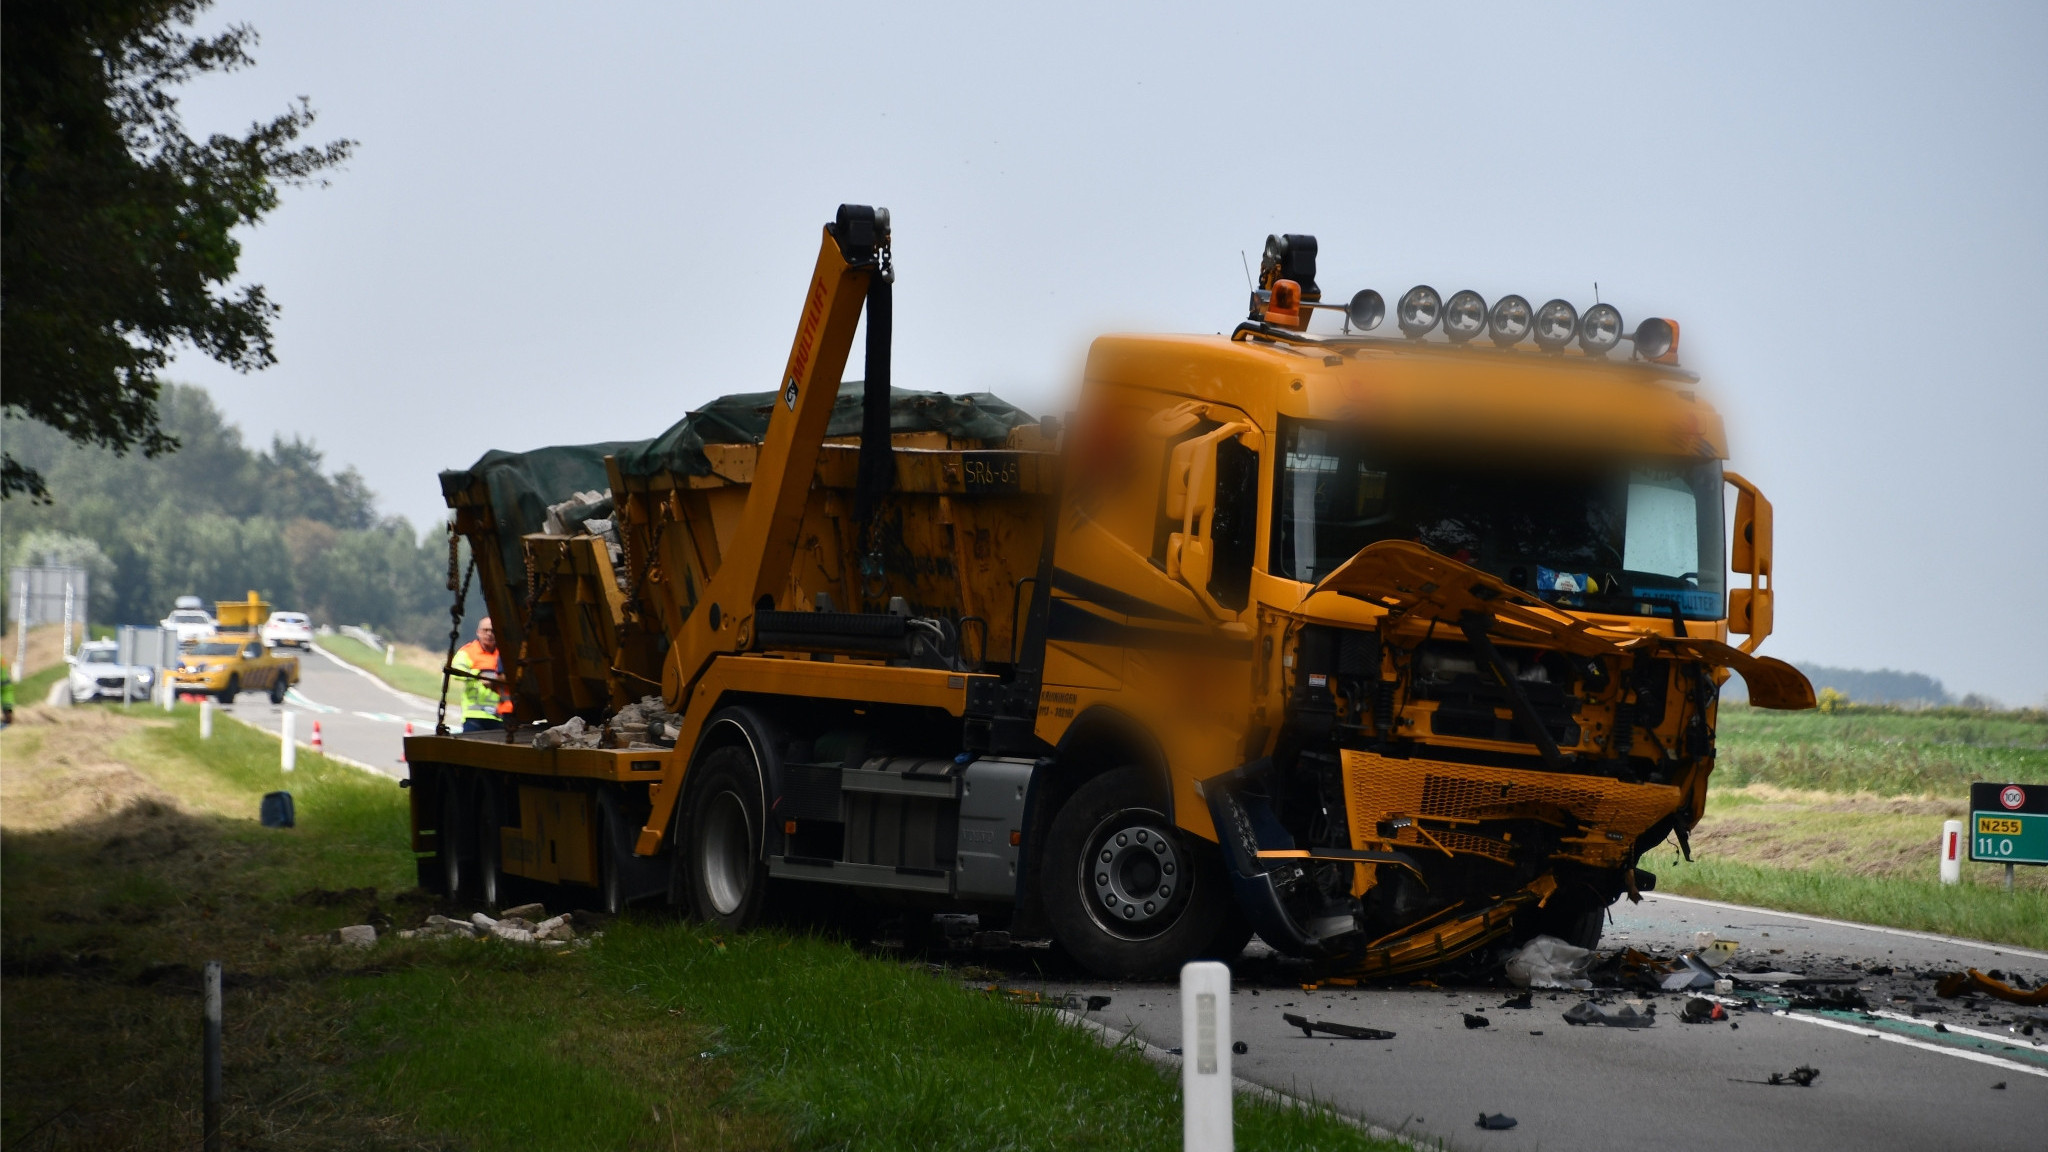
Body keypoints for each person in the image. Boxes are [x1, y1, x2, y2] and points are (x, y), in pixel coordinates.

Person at [451, 617, 511, 732]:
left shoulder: (504, 653)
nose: (489, 634)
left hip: (499, 716)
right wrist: (478, 675)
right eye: (485, 630)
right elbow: (456, 671)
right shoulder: (468, 651)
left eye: (493, 631)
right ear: (478, 632)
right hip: (474, 715)